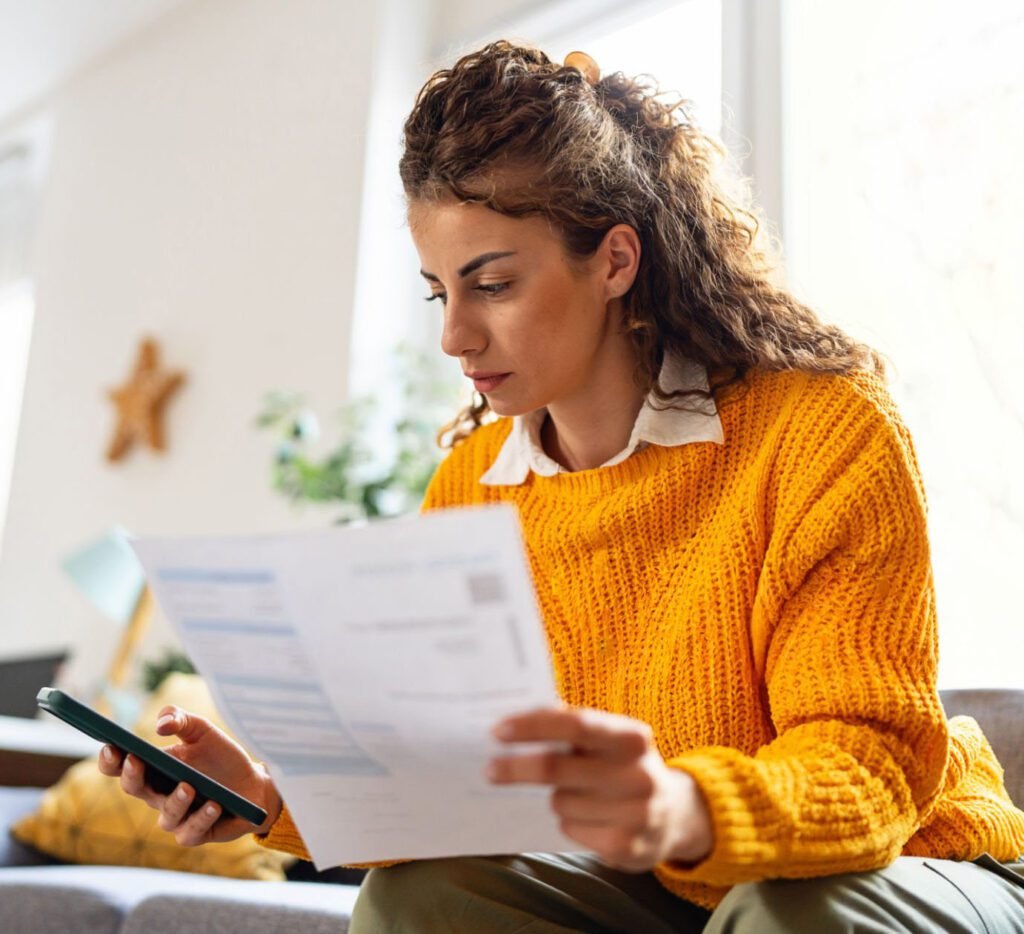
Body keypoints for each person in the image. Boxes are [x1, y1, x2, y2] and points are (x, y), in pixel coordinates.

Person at [99, 41, 1024, 932]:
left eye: (491, 284)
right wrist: (266, 797)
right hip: (662, 881)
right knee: (417, 903)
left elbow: (871, 768)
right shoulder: (473, 487)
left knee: (784, 907)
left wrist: (683, 806)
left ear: (615, 261)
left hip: (912, 864)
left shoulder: (822, 430)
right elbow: (438, 792)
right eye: (438, 293)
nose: (454, 336)